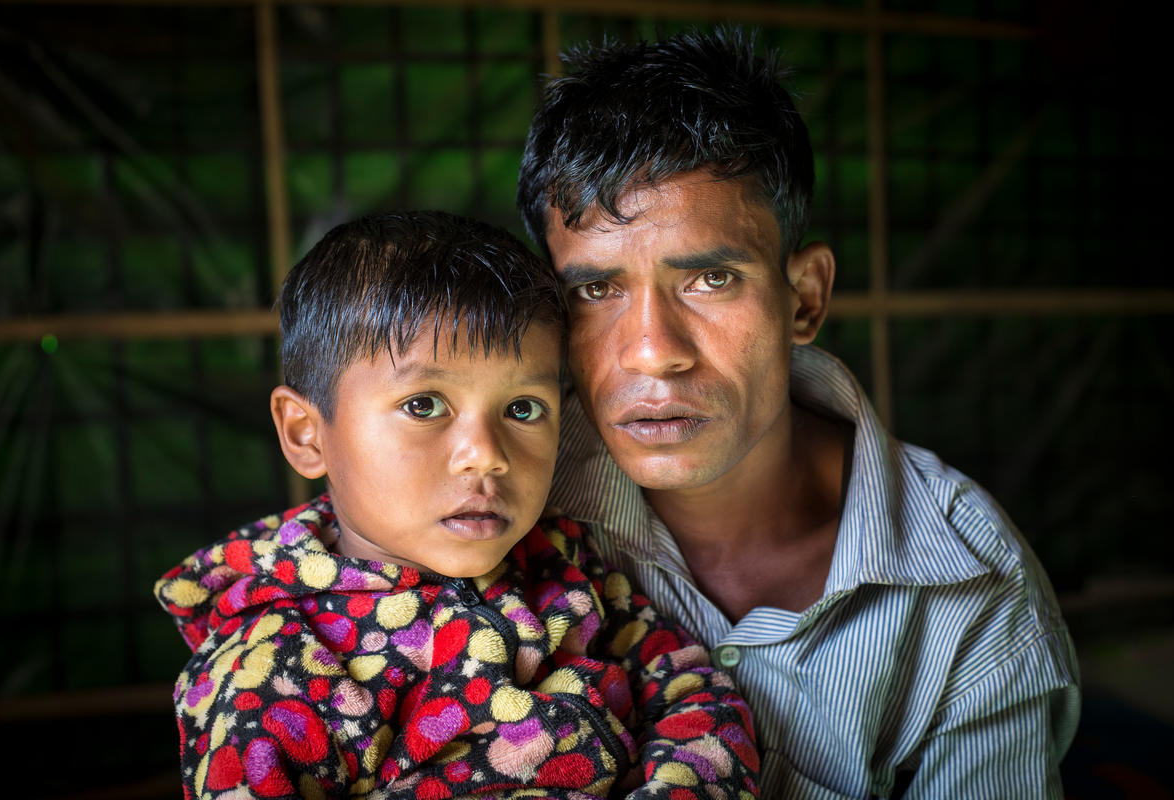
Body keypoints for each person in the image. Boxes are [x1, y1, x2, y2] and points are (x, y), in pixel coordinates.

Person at [517, 28, 1081, 798]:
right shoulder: (499, 505)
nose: (652, 352)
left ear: (805, 297)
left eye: (710, 280)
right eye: (595, 290)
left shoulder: (972, 590)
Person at [153, 211, 761, 799]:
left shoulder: (567, 566)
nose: (485, 456)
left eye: (523, 409)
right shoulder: (272, 674)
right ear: (307, 432)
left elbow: (691, 694)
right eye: (424, 405)